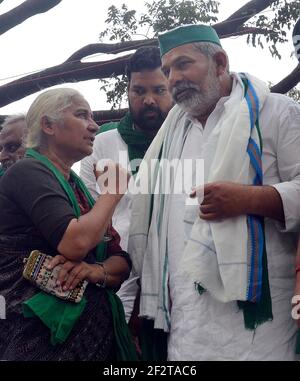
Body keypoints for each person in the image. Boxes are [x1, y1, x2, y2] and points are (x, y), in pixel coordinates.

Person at [129, 24, 300, 360]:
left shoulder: (277, 112)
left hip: (262, 321)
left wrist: (249, 199)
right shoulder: (170, 137)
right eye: (168, 70)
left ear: (220, 63)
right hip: (188, 323)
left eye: (183, 64)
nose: (173, 78)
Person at [0, 88, 136, 361]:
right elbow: (75, 243)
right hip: (40, 338)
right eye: (81, 115)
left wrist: (94, 271)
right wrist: (112, 193)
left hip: (88, 333)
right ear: (48, 125)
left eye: (92, 116)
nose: (94, 125)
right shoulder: (26, 172)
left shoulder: (75, 186)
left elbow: (120, 261)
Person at [80, 46, 173, 325]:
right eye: (139, 91)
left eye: (159, 90)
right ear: (128, 91)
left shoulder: (190, 139)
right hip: (119, 276)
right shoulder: (101, 145)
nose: (148, 100)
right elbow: (89, 214)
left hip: (178, 273)